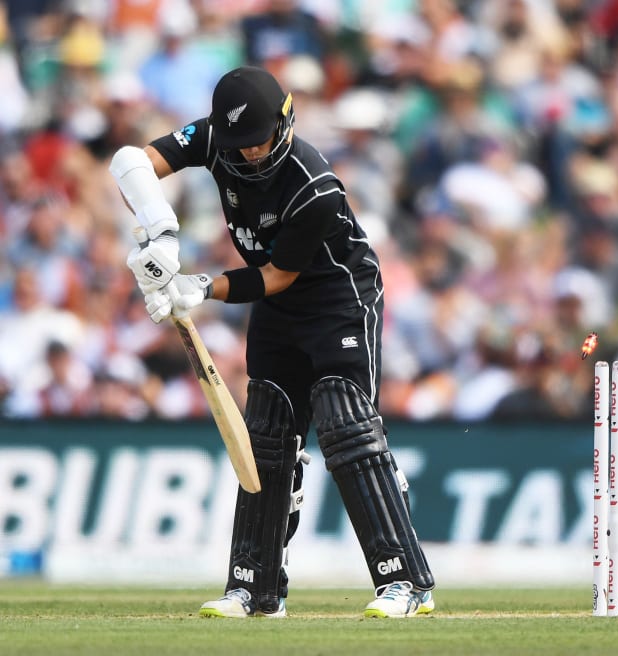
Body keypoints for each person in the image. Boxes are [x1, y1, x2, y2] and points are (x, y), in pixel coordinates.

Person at [109, 66, 435, 618]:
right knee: (267, 439)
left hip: (338, 298)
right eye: (243, 145)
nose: (253, 154)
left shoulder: (315, 187)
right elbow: (130, 163)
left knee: (343, 425)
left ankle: (405, 582)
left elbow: (278, 274)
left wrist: (201, 287)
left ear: (284, 122)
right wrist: (161, 233)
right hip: (279, 310)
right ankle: (255, 589)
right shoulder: (219, 138)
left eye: (261, 141)